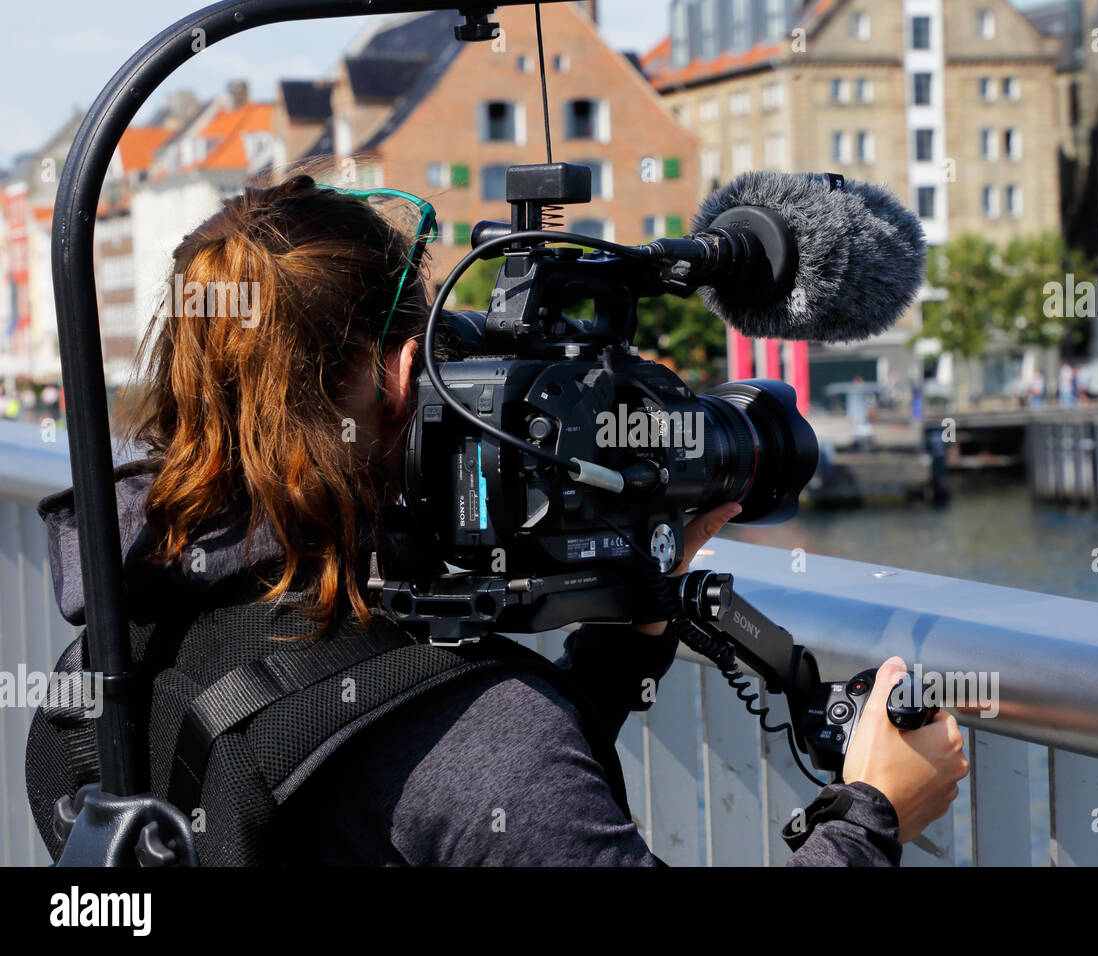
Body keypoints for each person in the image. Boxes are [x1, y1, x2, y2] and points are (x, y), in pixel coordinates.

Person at [40, 174, 967, 866]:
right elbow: (469, 785)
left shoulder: (118, 658)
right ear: (406, 376)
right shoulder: (486, 739)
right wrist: (874, 810)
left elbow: (422, 806)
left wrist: (626, 641)